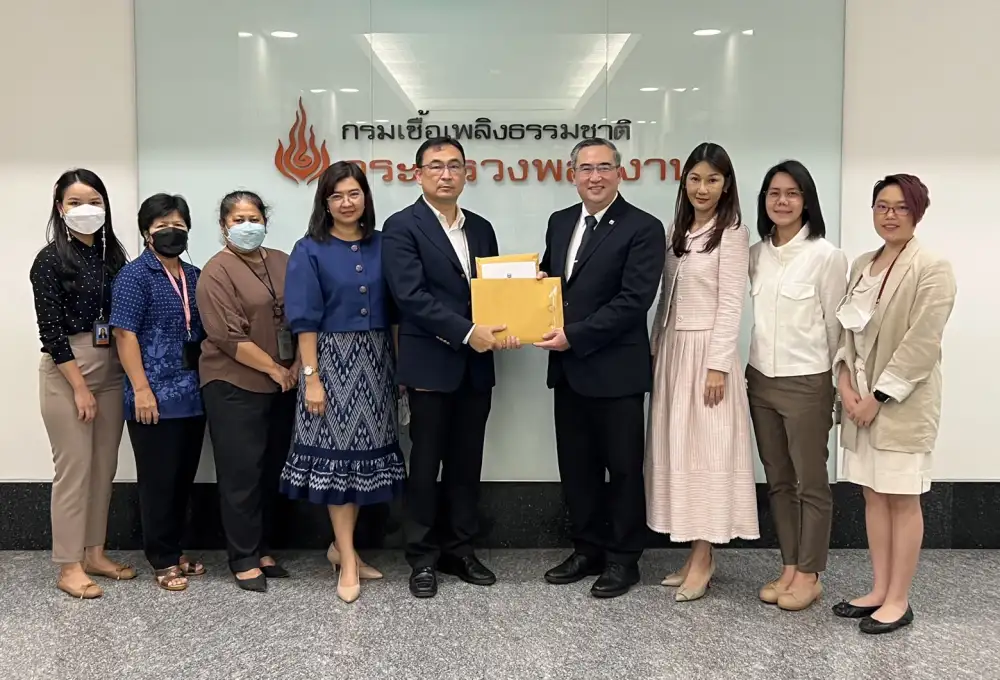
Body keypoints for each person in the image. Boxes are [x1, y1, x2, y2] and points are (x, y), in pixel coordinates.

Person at [532, 138, 665, 599]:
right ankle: (585, 549)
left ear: (619, 173)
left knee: (623, 470)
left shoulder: (643, 227)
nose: (595, 176)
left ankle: (624, 559)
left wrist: (576, 335)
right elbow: (552, 283)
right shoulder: (560, 221)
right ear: (572, 175)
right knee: (577, 468)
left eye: (604, 167)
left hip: (615, 372)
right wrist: (531, 290)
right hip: (568, 371)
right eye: (586, 168)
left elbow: (633, 300)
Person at [831, 174, 956, 634]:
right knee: (873, 494)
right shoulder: (863, 264)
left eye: (901, 207)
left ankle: (899, 600)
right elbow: (847, 333)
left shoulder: (932, 267)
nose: (890, 215)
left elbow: (922, 344)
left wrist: (878, 397)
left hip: (899, 405)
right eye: (882, 206)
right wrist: (845, 384)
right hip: (859, 402)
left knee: (902, 499)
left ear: (917, 212)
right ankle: (879, 589)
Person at [382, 137, 506, 599]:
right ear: (418, 174)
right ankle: (422, 556)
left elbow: (493, 291)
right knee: (425, 463)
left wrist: (520, 306)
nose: (446, 174)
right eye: (436, 166)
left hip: (475, 367)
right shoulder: (402, 226)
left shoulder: (482, 228)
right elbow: (409, 296)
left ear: (466, 174)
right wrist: (468, 331)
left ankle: (460, 549)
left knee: (466, 462)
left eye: (455, 166)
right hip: (430, 364)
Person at [279, 161, 406, 604]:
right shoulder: (309, 249)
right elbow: (304, 320)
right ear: (325, 203)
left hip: (377, 364)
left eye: (354, 194)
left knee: (363, 463)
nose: (346, 203)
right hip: (330, 363)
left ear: (366, 197)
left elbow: (396, 313)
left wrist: (400, 369)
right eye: (336, 196)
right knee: (337, 464)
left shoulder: (385, 244)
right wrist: (311, 378)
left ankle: (341, 547)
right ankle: (348, 558)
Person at [645, 142, 759, 602]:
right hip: (674, 352)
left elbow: (731, 303)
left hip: (707, 355)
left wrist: (717, 365)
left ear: (726, 185)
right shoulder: (677, 230)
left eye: (712, 180)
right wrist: (655, 350)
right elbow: (664, 300)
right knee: (680, 451)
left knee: (708, 451)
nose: (702, 188)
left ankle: (705, 556)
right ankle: (693, 552)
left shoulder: (732, 233)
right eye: (695, 179)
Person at [746, 161, 848, 611]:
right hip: (760, 379)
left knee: (811, 483)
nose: (782, 201)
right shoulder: (756, 254)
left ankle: (810, 574)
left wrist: (836, 385)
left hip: (807, 381)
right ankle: (789, 566)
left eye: (792, 193)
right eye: (774, 193)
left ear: (806, 200)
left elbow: (835, 329)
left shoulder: (826, 256)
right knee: (779, 482)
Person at [30, 169, 132, 599]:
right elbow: (51, 333)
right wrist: (79, 387)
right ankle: (69, 565)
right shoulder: (49, 260)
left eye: (94, 201)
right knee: (74, 470)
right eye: (75, 202)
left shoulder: (113, 255)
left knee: (103, 467)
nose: (86, 209)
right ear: (60, 208)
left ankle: (94, 553)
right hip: (69, 369)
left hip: (111, 366)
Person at [196, 191, 296, 592]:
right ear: (224, 226)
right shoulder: (216, 271)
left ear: (265, 221)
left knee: (271, 469)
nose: (247, 226)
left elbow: (302, 313)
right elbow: (226, 335)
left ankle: (263, 548)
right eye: (238, 220)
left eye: (253, 218)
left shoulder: (283, 261)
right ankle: (242, 557)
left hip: (283, 382)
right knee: (242, 473)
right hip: (234, 383)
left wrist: (294, 367)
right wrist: (274, 368)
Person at [111, 193, 207, 592]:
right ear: (146, 232)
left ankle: (176, 549)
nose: (172, 232)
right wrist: (141, 389)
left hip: (192, 394)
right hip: (152, 396)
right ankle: (162, 558)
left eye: (179, 225)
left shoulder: (195, 275)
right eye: (162, 225)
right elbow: (124, 334)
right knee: (158, 481)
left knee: (183, 478)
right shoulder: (134, 276)